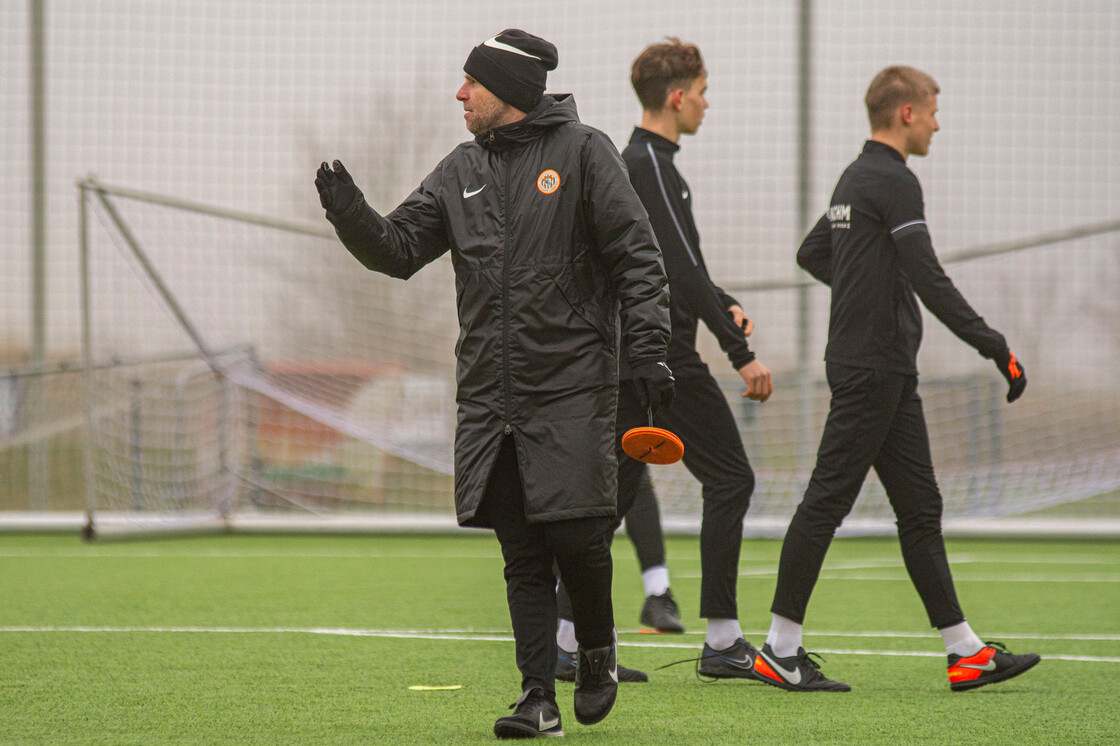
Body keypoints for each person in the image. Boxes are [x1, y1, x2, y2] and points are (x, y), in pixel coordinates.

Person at [315, 29, 673, 737]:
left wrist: (650, 352)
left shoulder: (585, 153)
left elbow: (639, 259)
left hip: (572, 385)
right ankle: (537, 699)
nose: (460, 94)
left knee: (578, 537)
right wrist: (349, 213)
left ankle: (596, 653)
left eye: (469, 83)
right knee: (521, 553)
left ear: (505, 89)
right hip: (491, 394)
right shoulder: (459, 169)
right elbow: (398, 250)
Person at [754, 65, 1039, 693]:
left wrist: (867, 288)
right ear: (906, 113)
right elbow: (928, 275)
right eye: (933, 109)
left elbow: (813, 253)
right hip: (873, 366)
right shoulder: (893, 181)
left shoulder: (856, 176)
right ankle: (779, 648)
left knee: (919, 508)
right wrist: (994, 346)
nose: (939, 122)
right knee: (827, 500)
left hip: (879, 366)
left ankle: (964, 650)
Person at [555, 37, 774, 684]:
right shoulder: (646, 164)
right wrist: (741, 354)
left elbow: (687, 267)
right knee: (731, 478)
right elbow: (676, 268)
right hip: (660, 357)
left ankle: (567, 643)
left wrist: (725, 303)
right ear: (677, 97)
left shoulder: (654, 165)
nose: (707, 105)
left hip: (642, 354)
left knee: (611, 503)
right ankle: (724, 640)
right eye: (702, 94)